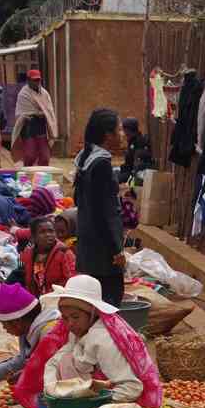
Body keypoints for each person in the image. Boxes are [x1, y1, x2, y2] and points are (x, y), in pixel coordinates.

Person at [40, 275, 162, 407]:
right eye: (65, 318)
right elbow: (56, 360)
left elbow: (132, 387)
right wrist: (51, 389)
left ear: (92, 313)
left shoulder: (103, 339)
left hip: (116, 402)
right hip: (96, 394)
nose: (70, 324)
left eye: (75, 317)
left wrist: (94, 403)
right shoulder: (79, 331)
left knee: (68, 361)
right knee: (66, 359)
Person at [73, 108, 125, 307]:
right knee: (109, 303)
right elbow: (106, 213)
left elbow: (81, 201)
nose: (122, 135)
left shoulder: (85, 159)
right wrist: (116, 249)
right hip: (103, 253)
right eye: (119, 130)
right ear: (107, 135)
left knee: (91, 302)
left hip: (88, 246)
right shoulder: (101, 164)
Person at [0, 283, 60, 387]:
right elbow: (23, 359)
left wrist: (28, 375)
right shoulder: (25, 331)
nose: (4, 328)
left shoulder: (50, 333)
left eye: (4, 324)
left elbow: (55, 368)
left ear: (17, 322)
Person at [21, 215, 76, 298]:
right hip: (38, 299)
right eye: (42, 232)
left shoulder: (64, 252)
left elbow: (72, 280)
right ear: (33, 238)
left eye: (51, 231)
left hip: (58, 298)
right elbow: (29, 282)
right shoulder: (28, 254)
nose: (48, 235)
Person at [11, 69, 57, 166]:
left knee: (45, 157)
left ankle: (42, 174)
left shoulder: (44, 93)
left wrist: (44, 115)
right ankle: (27, 173)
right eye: (34, 80)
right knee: (30, 155)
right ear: (28, 80)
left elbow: (49, 110)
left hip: (41, 126)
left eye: (38, 80)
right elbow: (20, 113)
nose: (37, 82)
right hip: (28, 127)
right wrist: (32, 114)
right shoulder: (23, 94)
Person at [119, 117, 153, 184]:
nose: (123, 132)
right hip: (128, 171)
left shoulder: (139, 143)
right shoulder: (132, 141)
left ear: (128, 130)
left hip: (132, 176)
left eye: (123, 129)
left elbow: (138, 170)